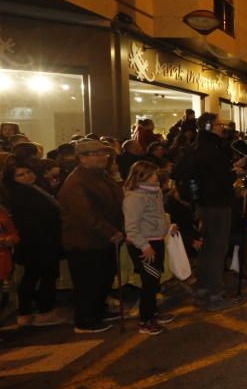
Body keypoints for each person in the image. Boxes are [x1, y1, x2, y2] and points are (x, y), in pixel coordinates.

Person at [57, 139, 125, 333]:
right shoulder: (77, 182)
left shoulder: (99, 176)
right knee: (89, 282)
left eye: (103, 153)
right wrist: (111, 232)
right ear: (82, 158)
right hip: (86, 242)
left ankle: (97, 311)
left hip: (101, 240)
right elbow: (86, 215)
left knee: (102, 279)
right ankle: (85, 321)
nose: (102, 157)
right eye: (96, 154)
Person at [181, 113, 241, 310]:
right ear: (208, 126)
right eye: (218, 125)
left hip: (205, 204)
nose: (221, 128)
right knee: (217, 248)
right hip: (217, 204)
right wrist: (234, 173)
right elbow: (219, 177)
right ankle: (214, 294)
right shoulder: (211, 149)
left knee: (208, 248)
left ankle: (204, 289)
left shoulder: (196, 147)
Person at [4, 162, 63, 327]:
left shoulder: (34, 188)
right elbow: (33, 220)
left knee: (36, 275)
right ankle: (42, 311)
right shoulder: (21, 194)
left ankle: (28, 312)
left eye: (28, 172)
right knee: (40, 276)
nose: (27, 176)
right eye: (20, 175)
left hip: (40, 240)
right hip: (37, 241)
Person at [122, 161, 176, 335]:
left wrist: (167, 228)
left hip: (156, 240)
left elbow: (157, 216)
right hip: (145, 244)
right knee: (149, 283)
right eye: (153, 174)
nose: (156, 176)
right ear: (142, 176)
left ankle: (152, 312)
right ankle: (145, 321)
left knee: (154, 280)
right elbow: (131, 227)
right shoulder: (135, 198)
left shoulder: (155, 192)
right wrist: (144, 246)